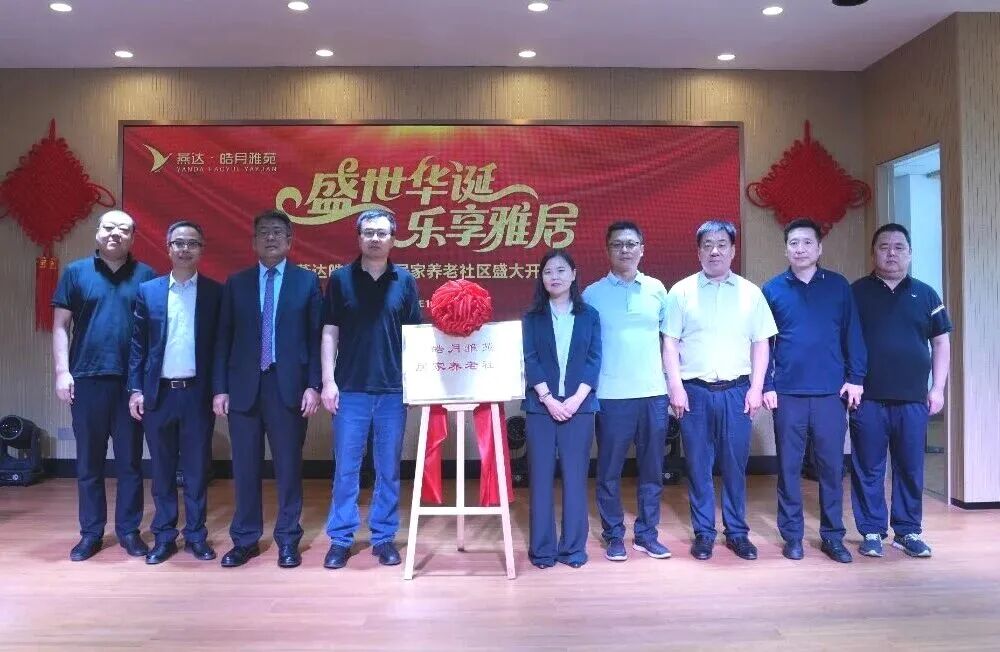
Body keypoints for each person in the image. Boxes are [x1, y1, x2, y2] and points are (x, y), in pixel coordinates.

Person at [212, 209, 322, 568]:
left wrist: (314, 385)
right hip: (243, 387)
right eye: (263, 232)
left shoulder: (306, 282)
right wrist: (220, 388)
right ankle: (245, 539)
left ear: (290, 241)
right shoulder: (237, 283)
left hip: (288, 388)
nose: (270, 238)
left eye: (277, 232)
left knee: (288, 468)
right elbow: (223, 339)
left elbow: (316, 338)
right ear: (253, 241)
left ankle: (288, 539)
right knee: (245, 468)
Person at [663, 220, 777, 561]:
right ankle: (704, 533)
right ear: (698, 251)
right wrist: (675, 387)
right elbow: (669, 343)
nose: (715, 251)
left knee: (734, 466)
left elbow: (762, 343)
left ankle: (737, 532)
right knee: (698, 466)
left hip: (737, 392)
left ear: (733, 250)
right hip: (694, 392)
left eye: (722, 244)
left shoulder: (750, 293)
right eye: (708, 245)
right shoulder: (681, 292)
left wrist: (757, 388)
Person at [320, 209, 422, 570]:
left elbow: (415, 338)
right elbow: (329, 331)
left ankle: (383, 537)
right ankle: (341, 538)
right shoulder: (340, 279)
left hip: (393, 391)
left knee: (388, 469)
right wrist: (328, 381)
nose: (375, 239)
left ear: (393, 239)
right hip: (350, 390)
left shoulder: (405, 281)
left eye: (381, 233)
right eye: (368, 233)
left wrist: (415, 384)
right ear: (359, 237)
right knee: (346, 469)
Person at [52, 209, 156, 561]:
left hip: (130, 385)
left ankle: (129, 531)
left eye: (123, 229)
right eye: (109, 227)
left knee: (130, 464)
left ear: (132, 237)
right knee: (89, 464)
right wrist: (62, 372)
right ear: (98, 232)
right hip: (86, 380)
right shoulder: (75, 272)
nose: (115, 233)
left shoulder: (146, 276)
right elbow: (60, 326)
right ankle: (91, 533)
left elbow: (153, 332)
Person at [761, 218, 866, 563]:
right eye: (794, 243)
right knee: (788, 467)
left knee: (831, 468)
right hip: (787, 393)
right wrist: (767, 384)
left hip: (830, 394)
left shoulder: (838, 286)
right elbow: (764, 344)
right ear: (786, 249)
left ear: (819, 248)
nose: (800, 249)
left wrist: (856, 378)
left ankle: (833, 536)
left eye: (807, 242)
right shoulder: (772, 290)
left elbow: (853, 335)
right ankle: (792, 536)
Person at [850, 223, 951, 558]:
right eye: (884, 247)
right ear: (873, 253)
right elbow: (842, 341)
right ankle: (872, 531)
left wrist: (938, 388)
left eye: (898, 247)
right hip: (867, 398)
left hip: (913, 399)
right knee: (869, 468)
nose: (891, 253)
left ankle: (908, 531)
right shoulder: (856, 293)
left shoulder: (926, 295)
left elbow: (941, 343)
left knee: (910, 467)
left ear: (909, 253)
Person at [128, 220, 222, 564]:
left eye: (192, 243)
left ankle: (196, 535)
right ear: (168, 248)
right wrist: (135, 389)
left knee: (196, 471)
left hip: (197, 394)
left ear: (202, 250)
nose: (185, 249)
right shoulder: (149, 291)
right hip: (159, 394)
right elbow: (138, 345)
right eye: (178, 243)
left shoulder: (215, 293)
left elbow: (220, 348)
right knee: (162, 471)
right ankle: (164, 536)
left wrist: (220, 390)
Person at [582, 221, 672, 562]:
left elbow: (670, 341)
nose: (625, 249)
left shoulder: (657, 290)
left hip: (653, 393)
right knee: (609, 471)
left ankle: (647, 535)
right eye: (617, 244)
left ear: (642, 249)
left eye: (631, 243)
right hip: (610, 395)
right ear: (607, 250)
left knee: (652, 469)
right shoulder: (592, 294)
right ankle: (614, 535)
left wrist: (672, 384)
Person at [522, 250, 602, 569]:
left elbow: (594, 359)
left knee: (575, 479)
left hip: (578, 408)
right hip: (541, 408)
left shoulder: (589, 315)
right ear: (541, 278)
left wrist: (576, 399)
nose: (554, 277)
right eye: (547, 272)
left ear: (573, 274)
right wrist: (548, 399)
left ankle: (572, 549)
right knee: (540, 480)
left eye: (560, 270)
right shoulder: (532, 317)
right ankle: (542, 550)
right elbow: (530, 359)